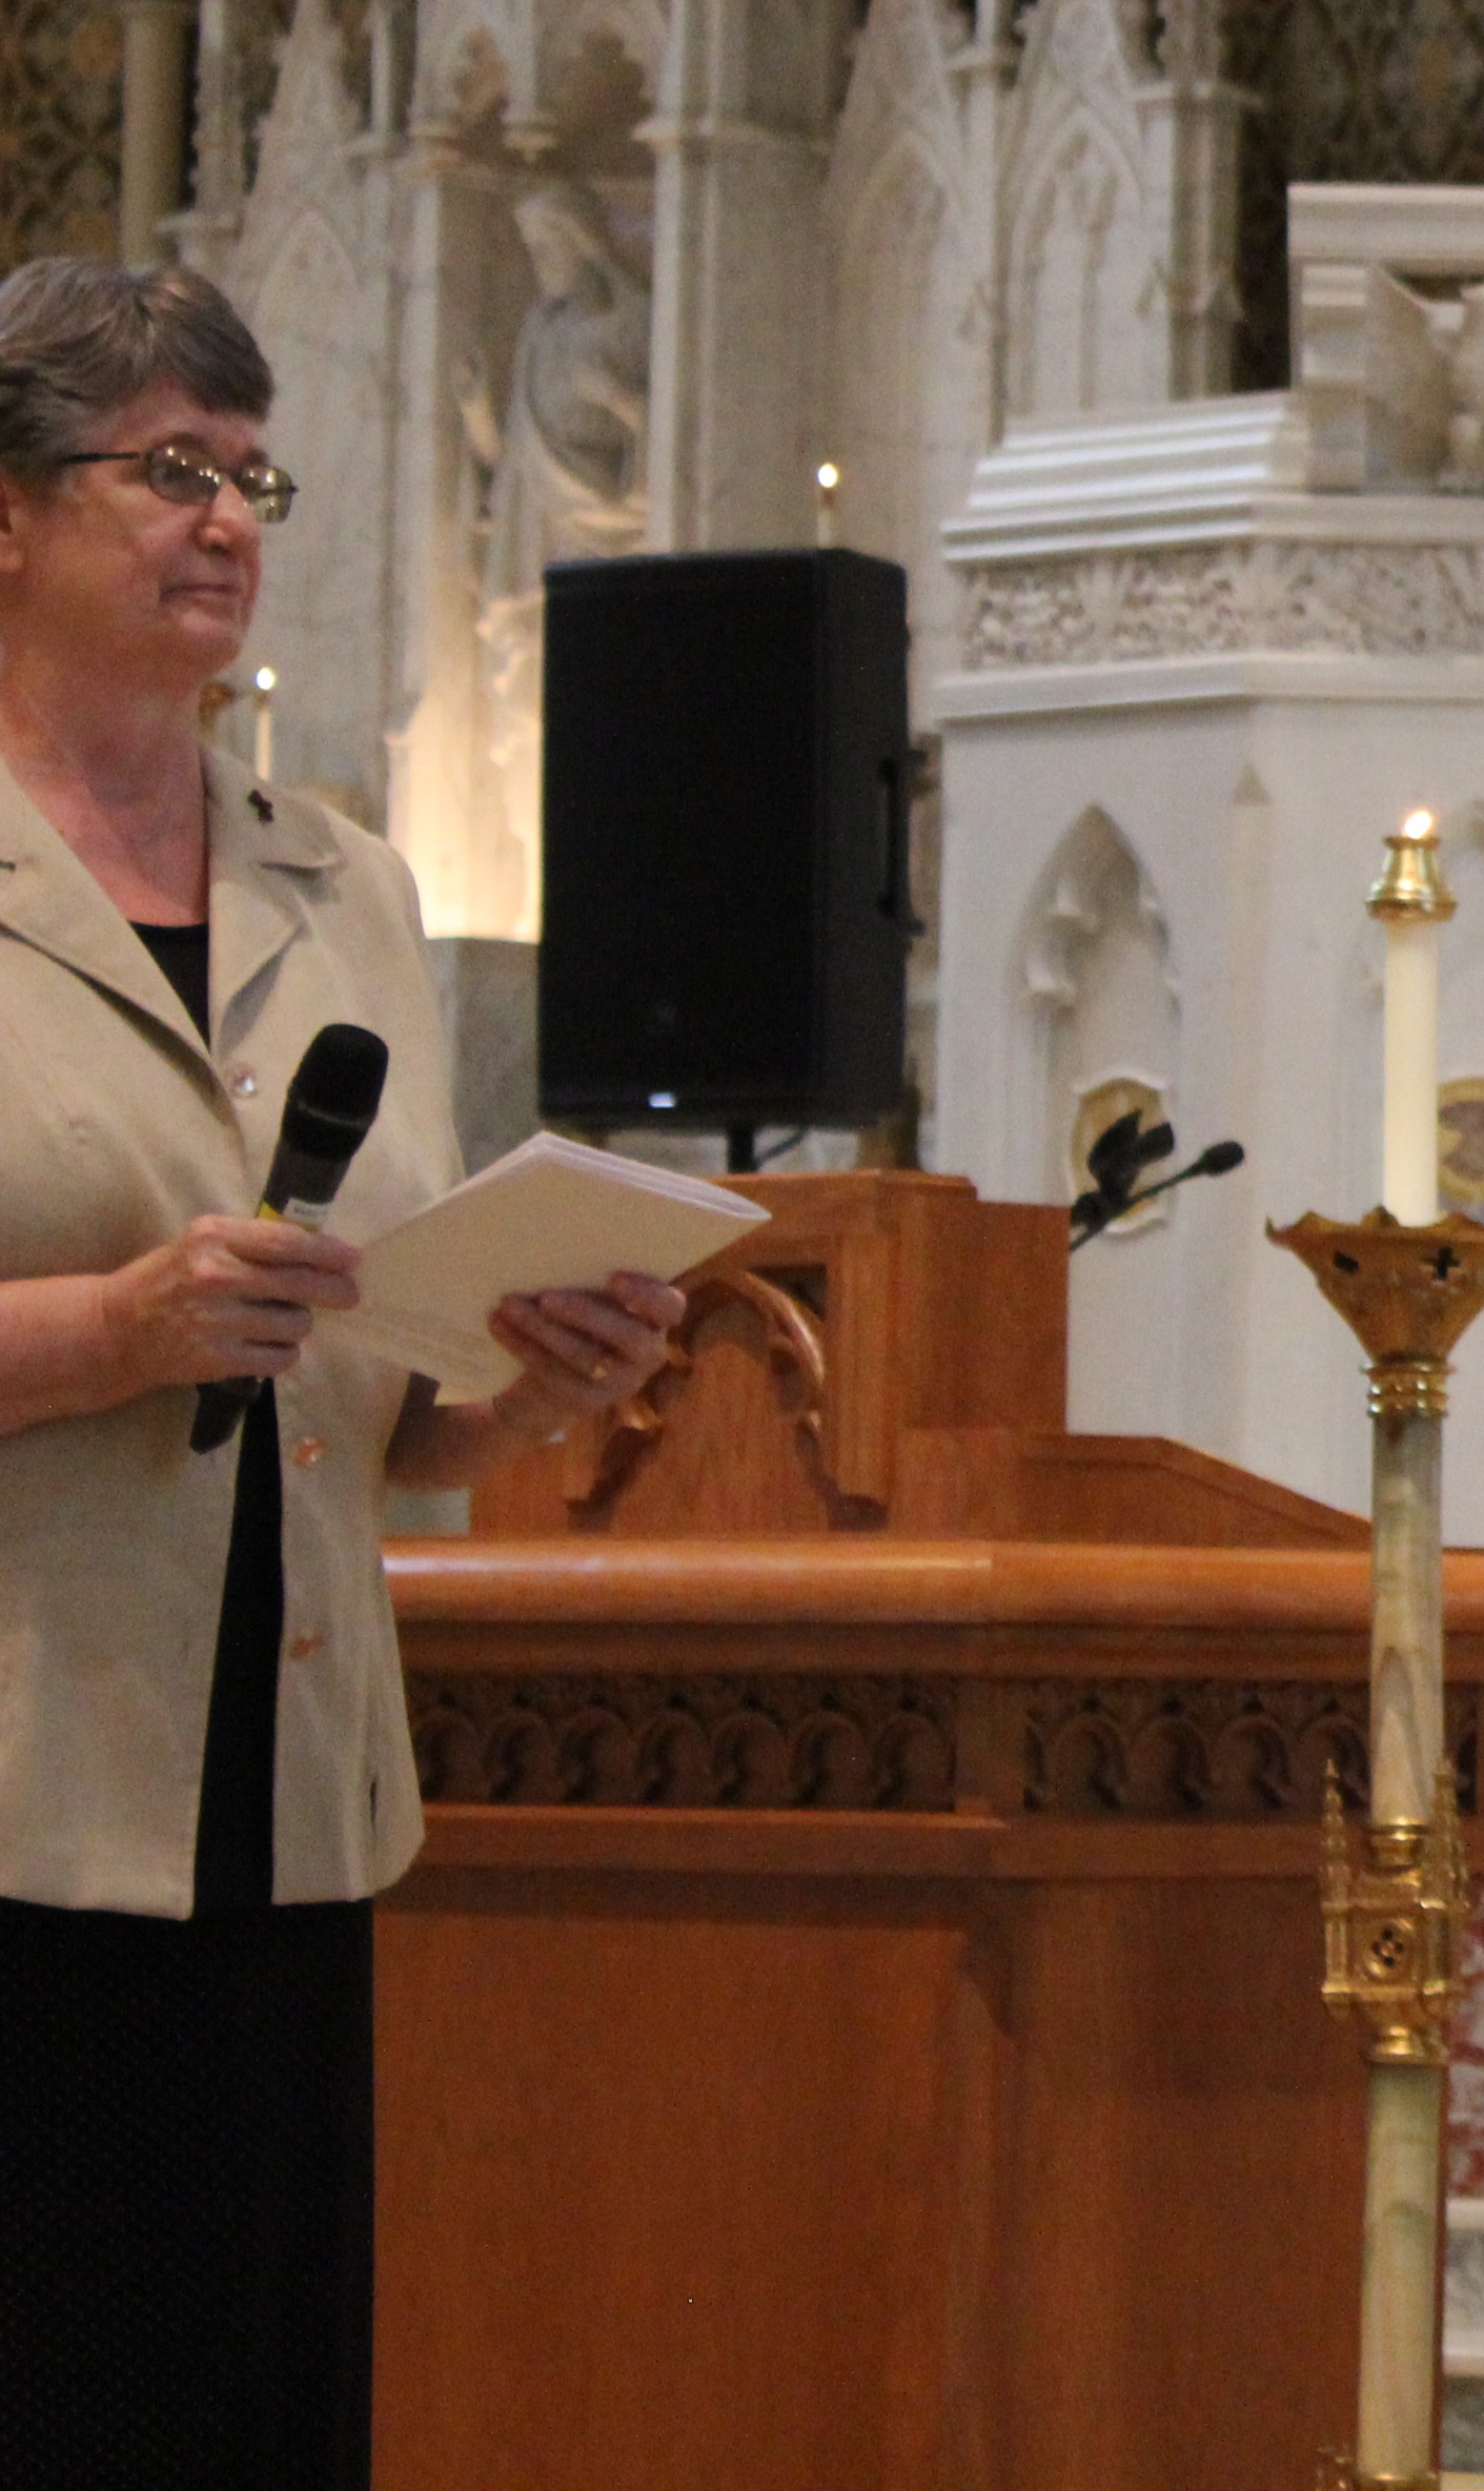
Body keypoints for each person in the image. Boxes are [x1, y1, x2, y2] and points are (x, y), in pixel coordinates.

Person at [0, 255, 684, 2488]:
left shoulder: (350, 879)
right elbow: (157, 1331)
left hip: (282, 1798)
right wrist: (114, 1329)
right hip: (14, 1799)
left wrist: (543, 1368)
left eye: (250, 474)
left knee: (249, 2403)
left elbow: (394, 1391)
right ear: (7, 513)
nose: (225, 519)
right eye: (164, 470)